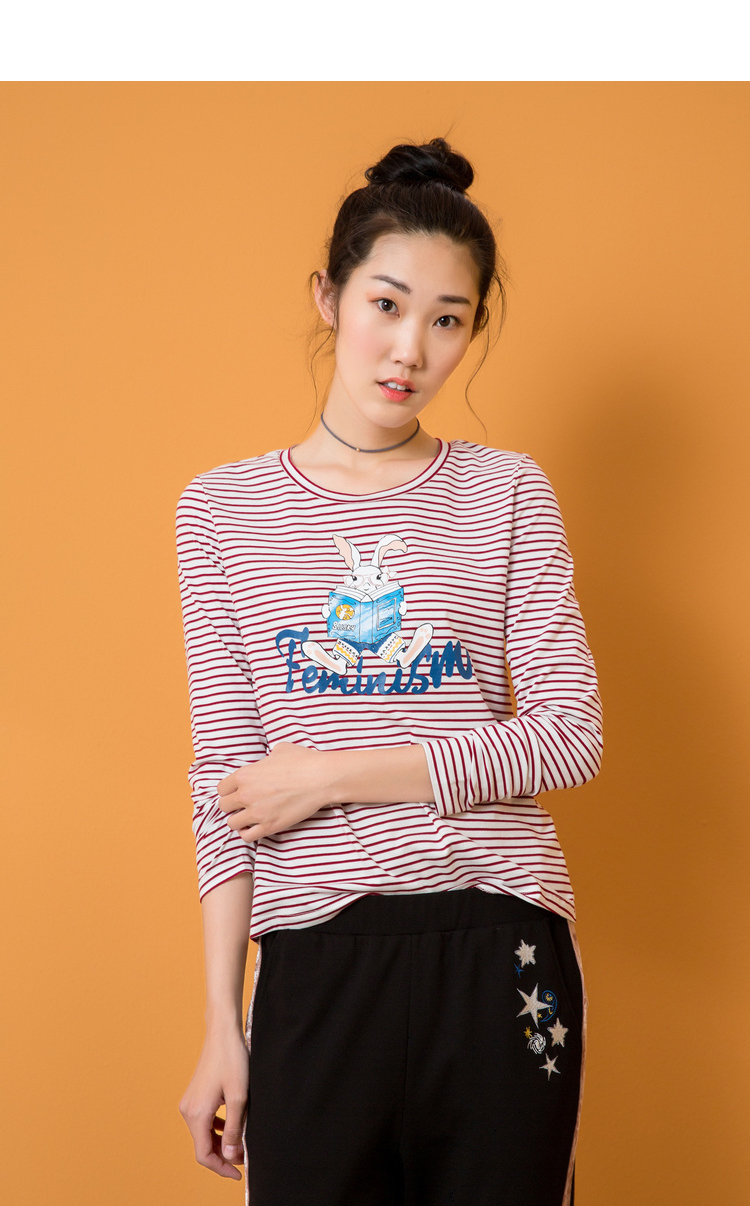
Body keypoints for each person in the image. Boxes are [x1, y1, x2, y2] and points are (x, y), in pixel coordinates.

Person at [175, 136, 603, 1206]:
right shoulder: (221, 511)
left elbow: (569, 735)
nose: (410, 348)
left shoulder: (506, 491)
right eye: (386, 304)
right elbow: (225, 778)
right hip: (317, 963)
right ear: (328, 298)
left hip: (498, 947)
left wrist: (331, 775)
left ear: (473, 330)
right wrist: (222, 1022)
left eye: (448, 319)